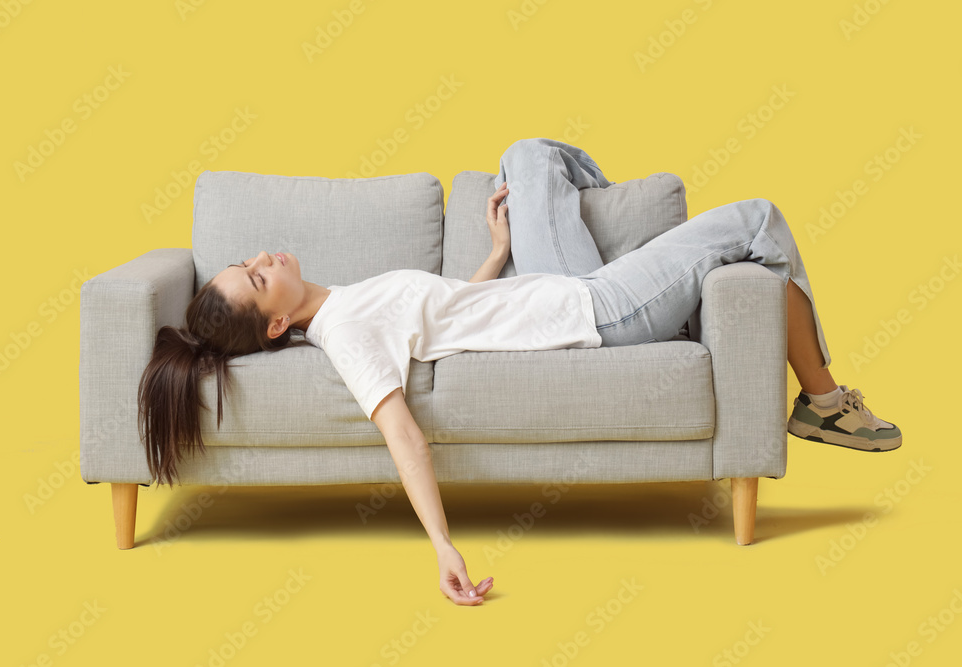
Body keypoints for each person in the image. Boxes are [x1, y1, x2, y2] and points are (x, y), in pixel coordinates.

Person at [137, 137, 901, 606]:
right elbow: (402, 433)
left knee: (527, 155)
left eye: (248, 261)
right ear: (275, 324)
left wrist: (498, 252)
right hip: (593, 314)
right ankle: (824, 401)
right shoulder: (343, 330)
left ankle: (676, 299)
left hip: (554, 286)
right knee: (758, 219)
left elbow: (450, 312)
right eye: (257, 277)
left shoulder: (345, 296)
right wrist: (442, 546)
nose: (263, 258)